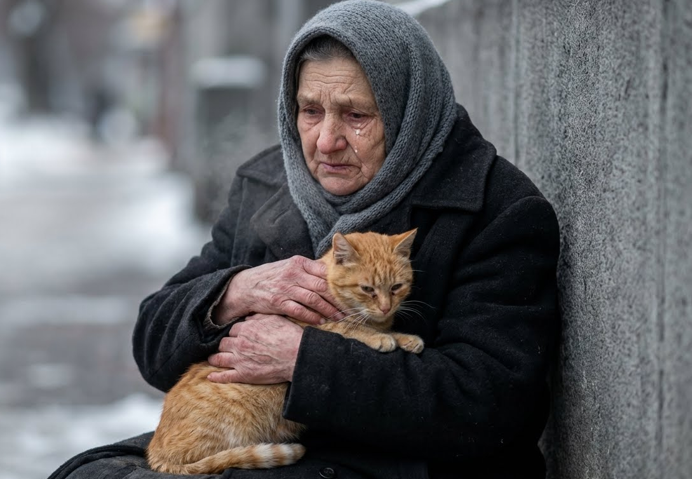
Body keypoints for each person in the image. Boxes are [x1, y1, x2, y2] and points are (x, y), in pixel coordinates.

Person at [48, 1, 559, 478]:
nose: (326, 141)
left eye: (356, 116)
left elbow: (486, 405)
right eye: (310, 110)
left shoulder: (494, 208)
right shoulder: (268, 183)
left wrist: (304, 360)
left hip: (396, 463)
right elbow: (153, 346)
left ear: (409, 113)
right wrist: (234, 292)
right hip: (261, 441)